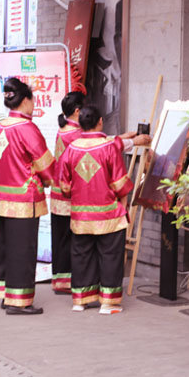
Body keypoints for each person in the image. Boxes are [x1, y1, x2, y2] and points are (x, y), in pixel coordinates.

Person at [58, 105, 133, 314]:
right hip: (107, 213)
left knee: (82, 255)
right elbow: (119, 183)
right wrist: (125, 199)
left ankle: (80, 300)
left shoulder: (72, 148)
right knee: (110, 255)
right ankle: (108, 302)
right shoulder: (108, 147)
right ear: (100, 121)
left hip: (81, 214)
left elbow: (64, 186)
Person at [0, 77, 55, 315]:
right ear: (26, 100)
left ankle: (7, 295)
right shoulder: (28, 129)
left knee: (5, 247)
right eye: (32, 100)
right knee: (23, 250)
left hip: (1, 197)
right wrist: (50, 180)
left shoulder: (2, 127)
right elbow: (45, 165)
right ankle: (20, 301)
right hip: (24, 198)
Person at [49, 91, 85, 294]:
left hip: (57, 191)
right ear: (77, 110)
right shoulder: (75, 134)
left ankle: (59, 281)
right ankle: (67, 282)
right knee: (70, 239)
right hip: (68, 193)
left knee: (60, 238)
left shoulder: (63, 129)